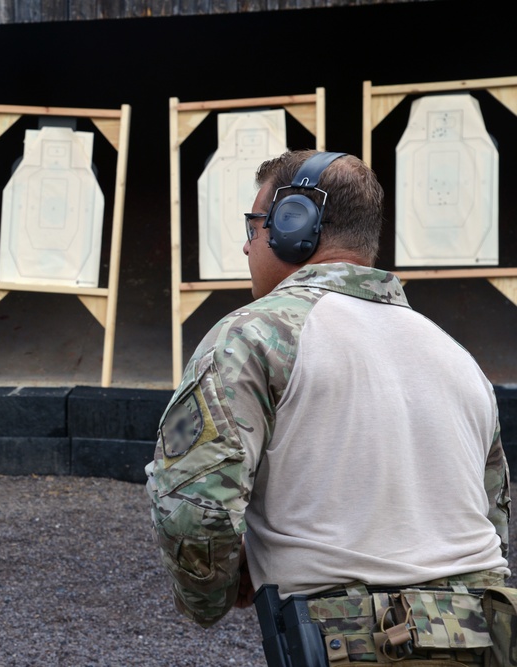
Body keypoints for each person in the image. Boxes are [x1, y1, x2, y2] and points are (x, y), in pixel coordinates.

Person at [146, 149, 512, 664]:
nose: (247, 247)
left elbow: (194, 509)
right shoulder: (457, 355)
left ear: (294, 226)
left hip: (351, 641)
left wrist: (209, 598)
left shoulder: (252, 335)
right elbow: (494, 520)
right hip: (485, 636)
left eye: (254, 226)